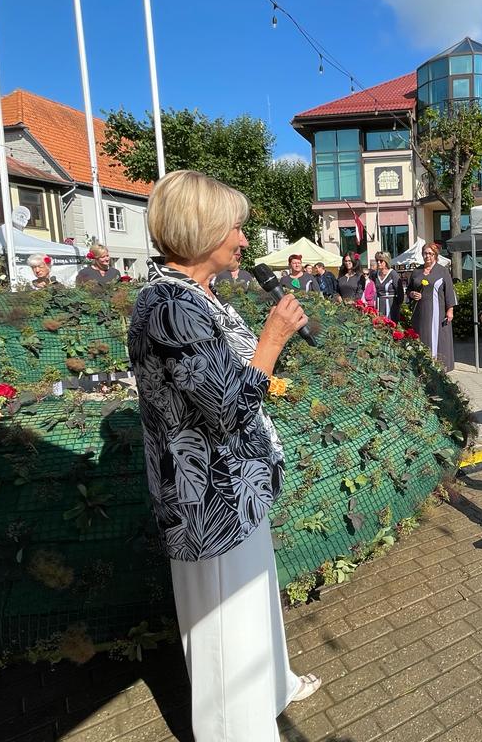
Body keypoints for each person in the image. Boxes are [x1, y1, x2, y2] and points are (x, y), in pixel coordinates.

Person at [127, 170, 320, 741]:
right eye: (235, 227)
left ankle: (271, 692)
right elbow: (227, 408)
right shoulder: (170, 305)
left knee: (253, 608)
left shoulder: (200, 295)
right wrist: (272, 340)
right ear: (202, 230)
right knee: (223, 631)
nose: (243, 238)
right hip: (206, 500)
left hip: (237, 489)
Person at [407, 242, 456, 370]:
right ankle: (422, 364)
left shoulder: (442, 271)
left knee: (437, 337)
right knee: (422, 336)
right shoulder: (417, 271)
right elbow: (409, 289)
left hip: (437, 312)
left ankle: (439, 365)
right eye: (425, 253)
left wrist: (450, 310)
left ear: (435, 255)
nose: (427, 256)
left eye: (430, 253)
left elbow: (449, 292)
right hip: (420, 312)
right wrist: (412, 294)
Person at [372, 251, 404, 320]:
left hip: (391, 304)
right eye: (377, 260)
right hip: (379, 304)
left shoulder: (393, 274)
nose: (378, 262)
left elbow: (400, 292)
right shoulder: (375, 274)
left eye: (381, 261)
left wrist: (397, 306)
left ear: (386, 261)